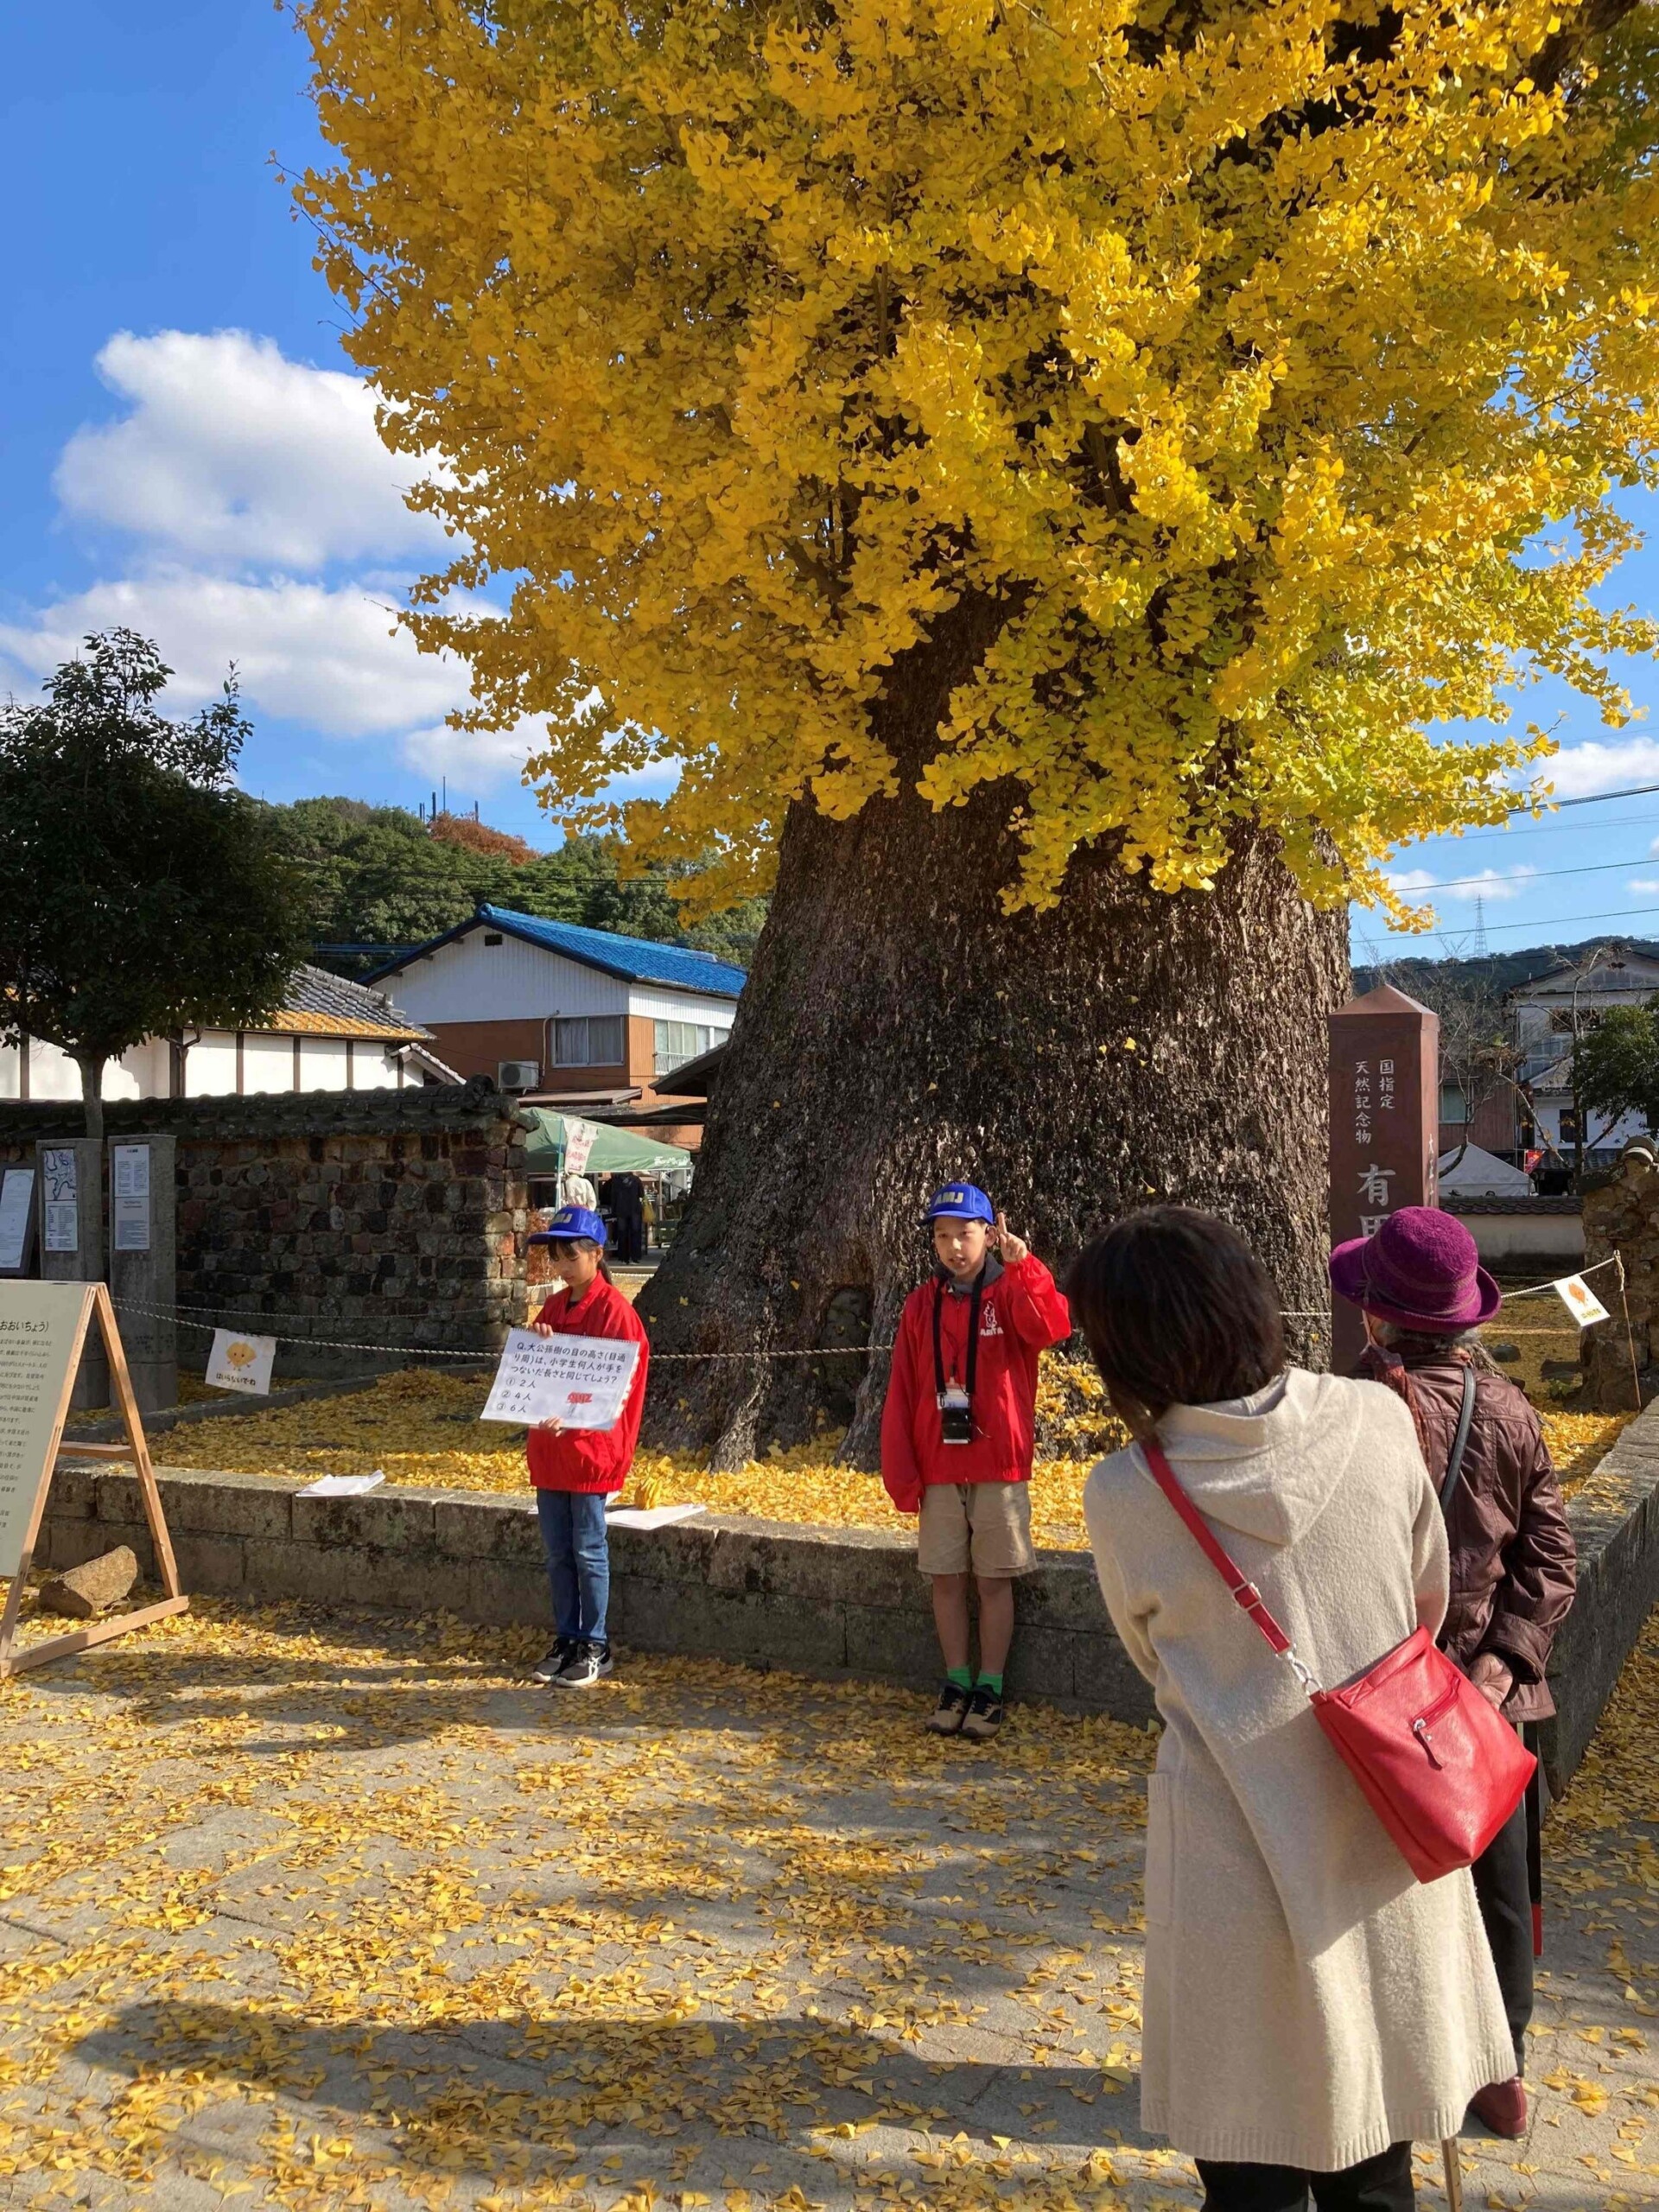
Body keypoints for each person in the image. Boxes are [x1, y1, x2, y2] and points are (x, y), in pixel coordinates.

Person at [1074, 1206, 1513, 2205]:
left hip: (1231, 1846)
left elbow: (1149, 1657)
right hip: (1384, 1826)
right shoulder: (1376, 1418)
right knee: (1380, 2157)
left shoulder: (1127, 1492)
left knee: (1248, 2172)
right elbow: (1426, 1602)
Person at [1331, 1206, 1576, 2140]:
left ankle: (1392, 2064)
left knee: (1380, 1880)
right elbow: (1552, 1560)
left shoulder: (1353, 1407)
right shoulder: (1512, 1410)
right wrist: (1501, 1665)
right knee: (1498, 1888)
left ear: (1375, 1313)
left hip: (1384, 1696)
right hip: (1490, 1703)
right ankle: (1502, 2068)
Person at [880, 1181, 1071, 1740]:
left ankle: (990, 1684)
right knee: (944, 1578)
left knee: (993, 1580)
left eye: (964, 1234)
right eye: (942, 1237)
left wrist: (1027, 1268)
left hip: (997, 1464)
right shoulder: (921, 1305)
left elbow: (1053, 1327)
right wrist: (903, 1471)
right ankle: (956, 1680)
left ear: (988, 1234)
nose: (953, 1247)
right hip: (939, 1463)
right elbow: (903, 1389)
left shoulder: (1011, 1291)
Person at [524, 1204, 649, 1689]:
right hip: (551, 1449)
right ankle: (566, 1637)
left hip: (589, 1451)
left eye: (569, 1254)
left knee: (589, 1548)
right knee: (558, 1551)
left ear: (597, 1254)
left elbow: (619, 1390)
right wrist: (535, 1343)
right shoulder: (554, 1308)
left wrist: (574, 1421)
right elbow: (536, 1371)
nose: (561, 1265)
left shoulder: (617, 1313)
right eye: (556, 1255)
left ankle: (595, 1642)